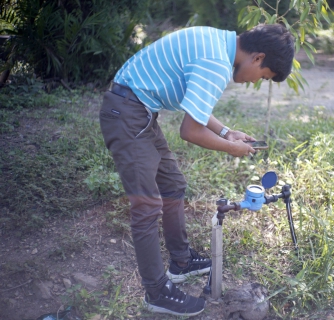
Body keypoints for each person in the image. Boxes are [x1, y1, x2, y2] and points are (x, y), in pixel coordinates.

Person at [98, 23, 294, 316]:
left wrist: (227, 132)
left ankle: (181, 262)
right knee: (147, 207)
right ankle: (156, 293)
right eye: (262, 76)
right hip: (128, 113)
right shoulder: (216, 63)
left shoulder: (217, 42)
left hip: (138, 109)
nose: (255, 81)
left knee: (173, 183)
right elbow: (190, 131)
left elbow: (192, 104)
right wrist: (232, 148)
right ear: (258, 58)